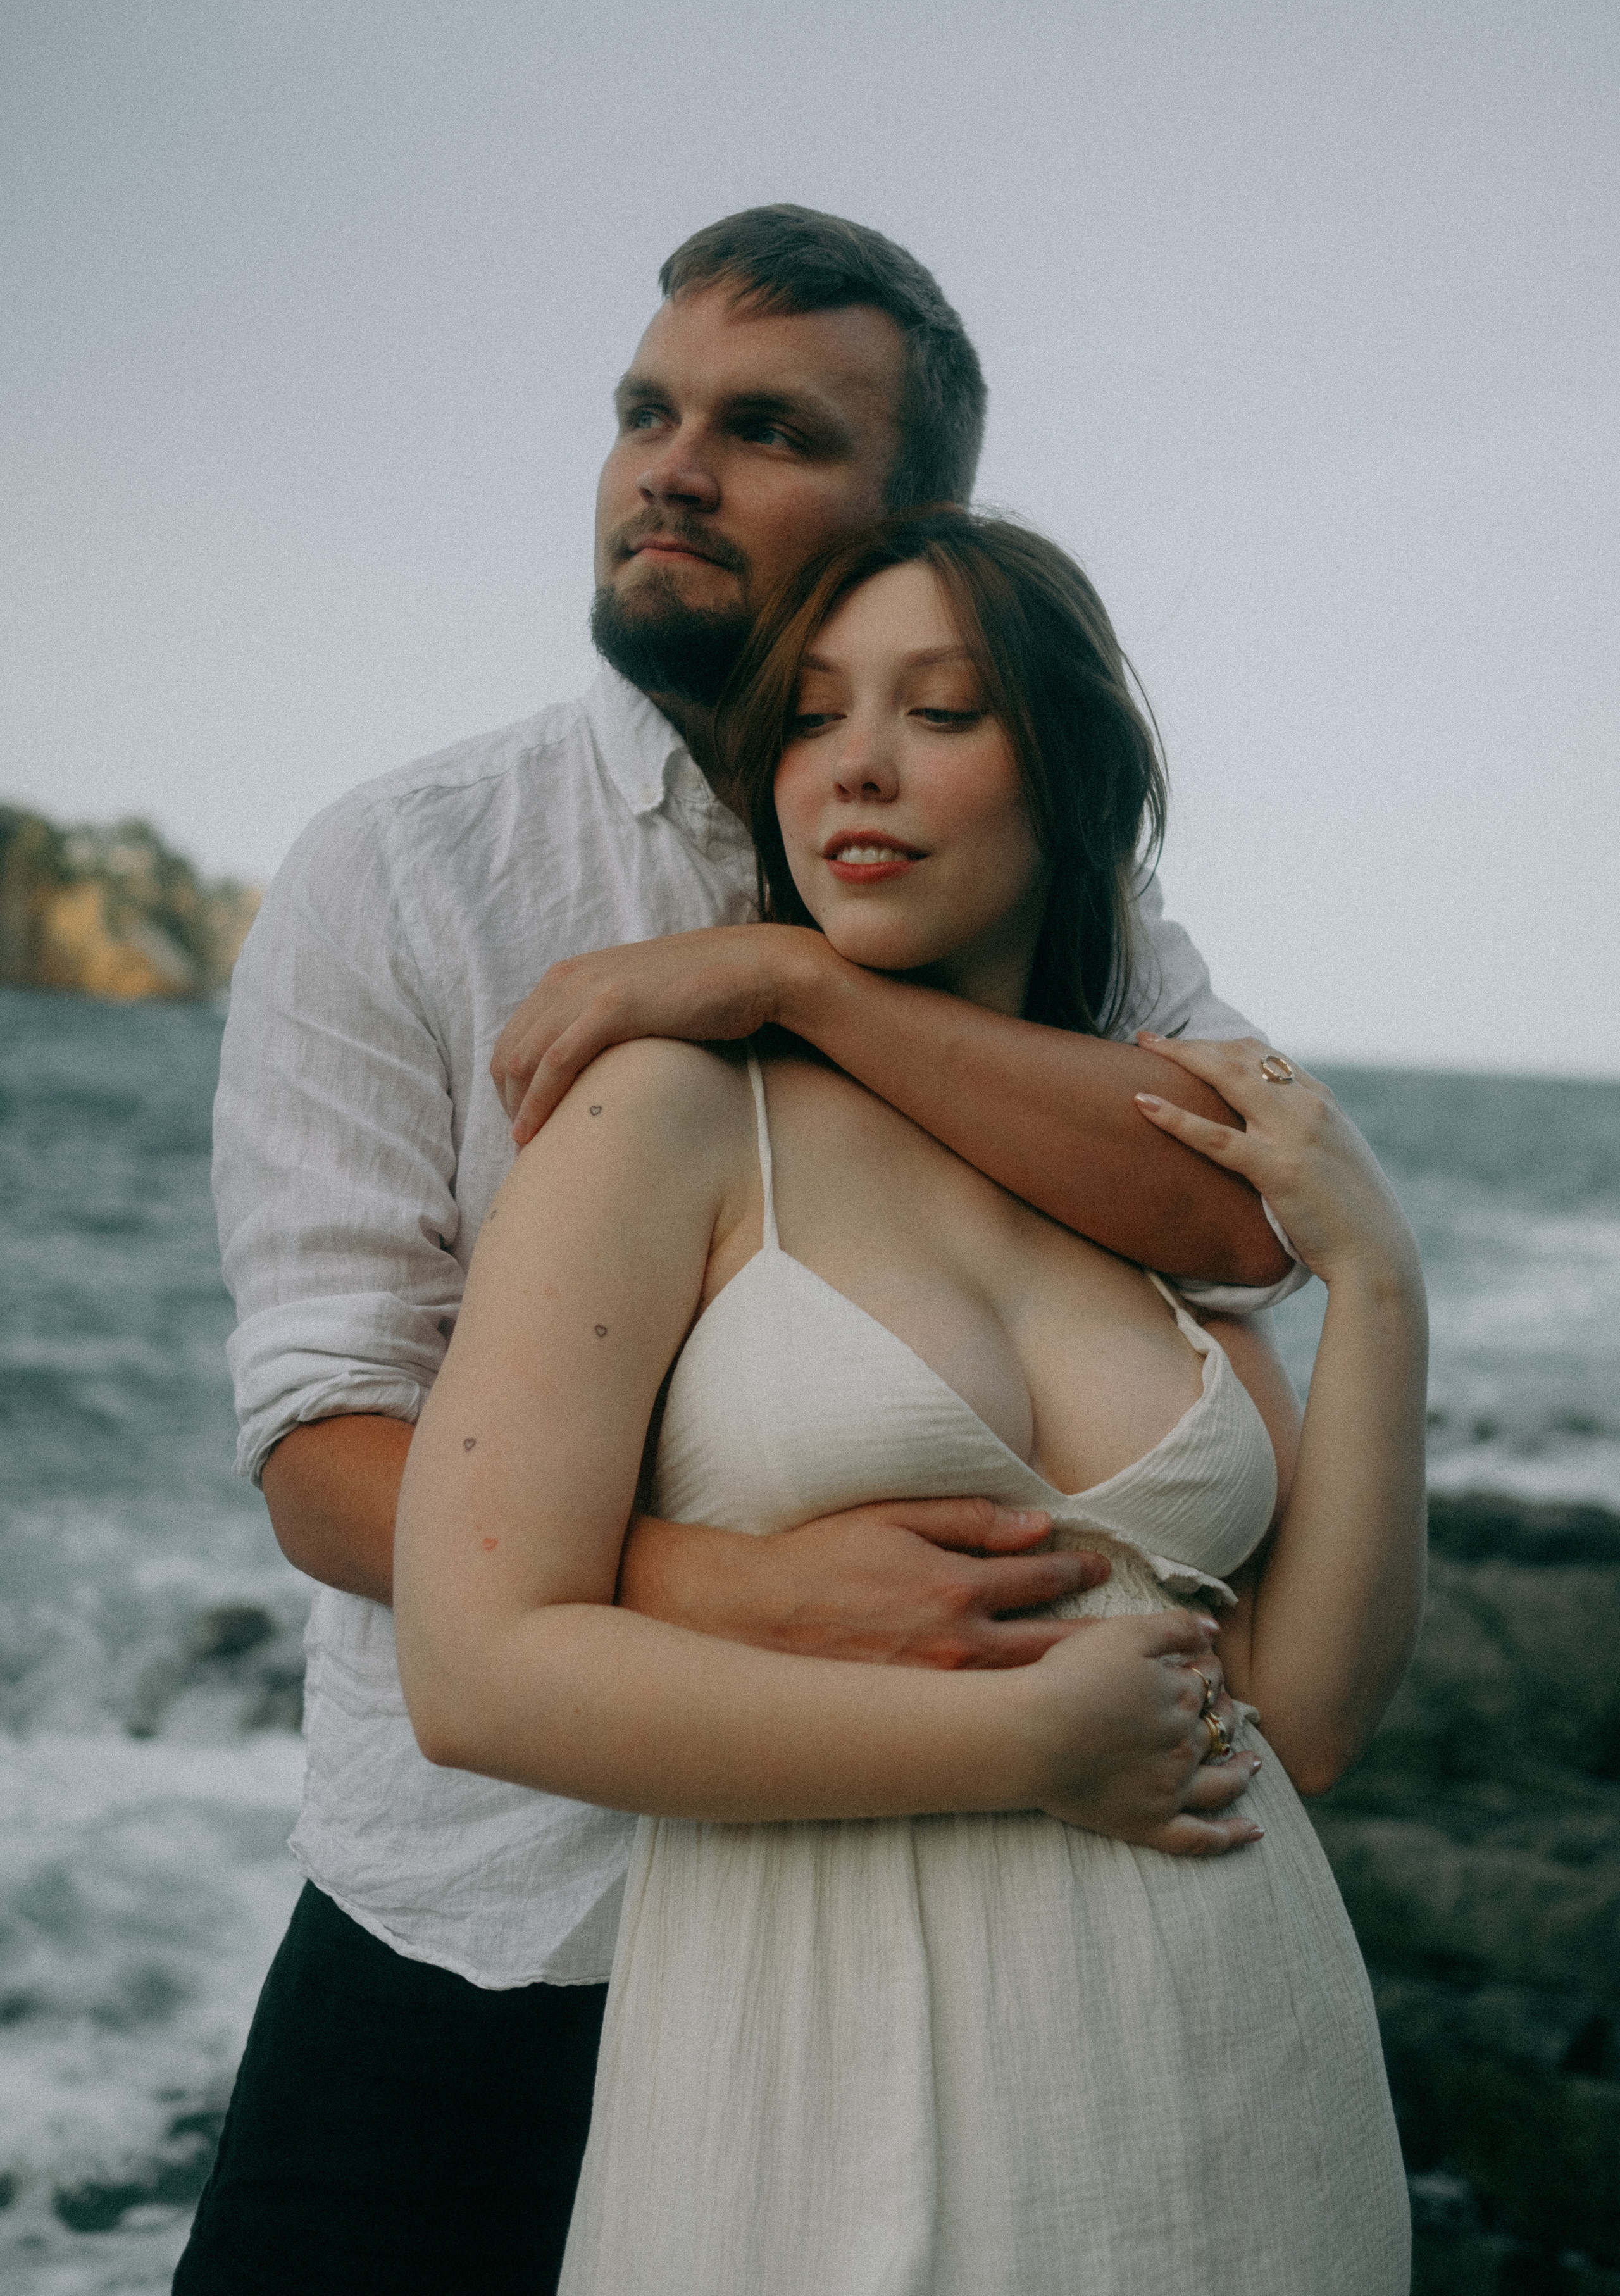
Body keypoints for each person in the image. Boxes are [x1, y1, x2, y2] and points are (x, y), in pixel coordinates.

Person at [184, 207, 1305, 2295]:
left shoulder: (1063, 895)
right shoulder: (411, 866)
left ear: (926, 521)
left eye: (765, 427)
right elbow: (327, 1442)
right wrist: (751, 1600)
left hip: (924, 1932)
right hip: (498, 1932)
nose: (668, 469)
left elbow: (1249, 1203)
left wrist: (801, 977)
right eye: (645, 411)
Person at [393, 509, 1422, 2295]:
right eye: (808, 716)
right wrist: (1016, 1744)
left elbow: (1305, 1720)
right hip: (829, 2072)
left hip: (1242, 2089)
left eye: (943, 713)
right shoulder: (670, 1117)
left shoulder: (1143, 1175)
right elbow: (475, 1670)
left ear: (1072, 773)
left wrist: (1386, 1287)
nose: (856, 765)